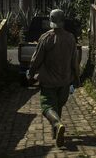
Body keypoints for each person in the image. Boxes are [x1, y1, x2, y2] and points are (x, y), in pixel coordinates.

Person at [26, 9, 80, 148]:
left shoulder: (46, 38)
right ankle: (56, 134)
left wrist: (30, 73)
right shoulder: (71, 38)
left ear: (51, 20)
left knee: (47, 107)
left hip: (48, 81)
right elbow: (75, 61)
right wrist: (76, 78)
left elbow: (36, 59)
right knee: (58, 106)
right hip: (65, 81)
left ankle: (57, 124)